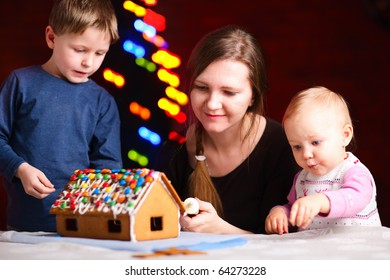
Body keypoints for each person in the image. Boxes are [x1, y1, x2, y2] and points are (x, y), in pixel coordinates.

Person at [153, 25, 299, 234]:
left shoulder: (284, 148)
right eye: (202, 88)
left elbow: (289, 249)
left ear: (253, 97)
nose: (212, 103)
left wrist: (220, 229)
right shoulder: (175, 150)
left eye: (229, 92)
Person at [0, 0, 122, 232]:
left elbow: (108, 168)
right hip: (24, 227)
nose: (89, 62)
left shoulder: (102, 102)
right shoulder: (21, 83)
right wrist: (20, 167)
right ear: (52, 38)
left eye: (100, 53)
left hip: (83, 228)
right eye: (79, 50)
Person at [265, 86, 381, 235]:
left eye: (315, 142)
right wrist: (282, 212)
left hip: (360, 249)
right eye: (297, 146)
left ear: (345, 135)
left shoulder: (353, 171)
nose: (306, 154)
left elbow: (355, 198)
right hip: (321, 252)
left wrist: (320, 201)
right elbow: (296, 208)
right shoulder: (302, 179)